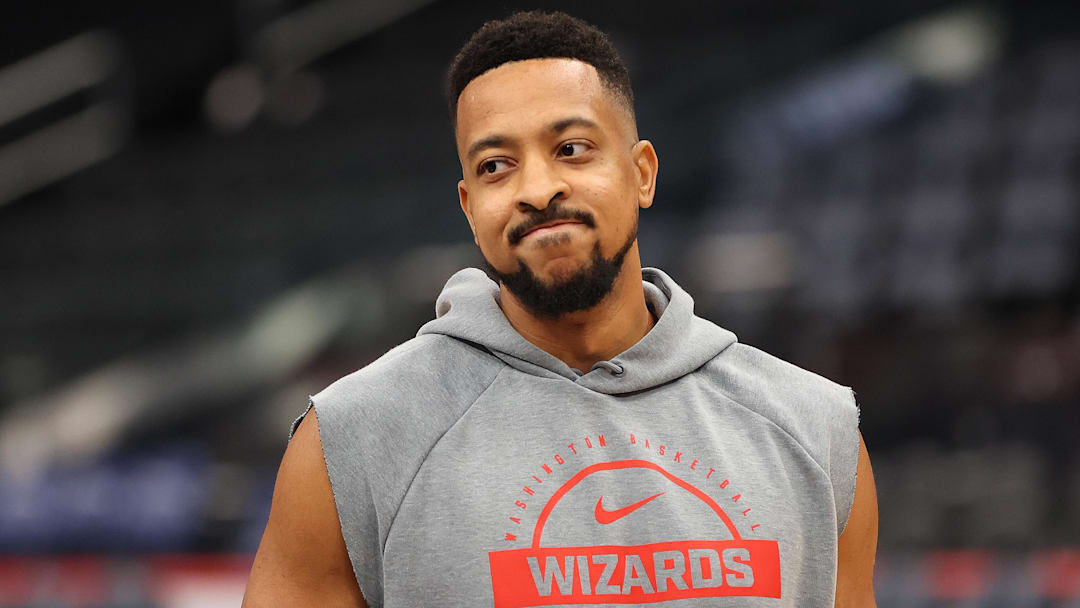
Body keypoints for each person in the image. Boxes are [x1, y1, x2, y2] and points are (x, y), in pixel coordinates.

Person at [243, 10, 878, 608]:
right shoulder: (352, 440)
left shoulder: (814, 428)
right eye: (496, 166)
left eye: (571, 149)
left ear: (642, 175)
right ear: (469, 208)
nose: (538, 189)